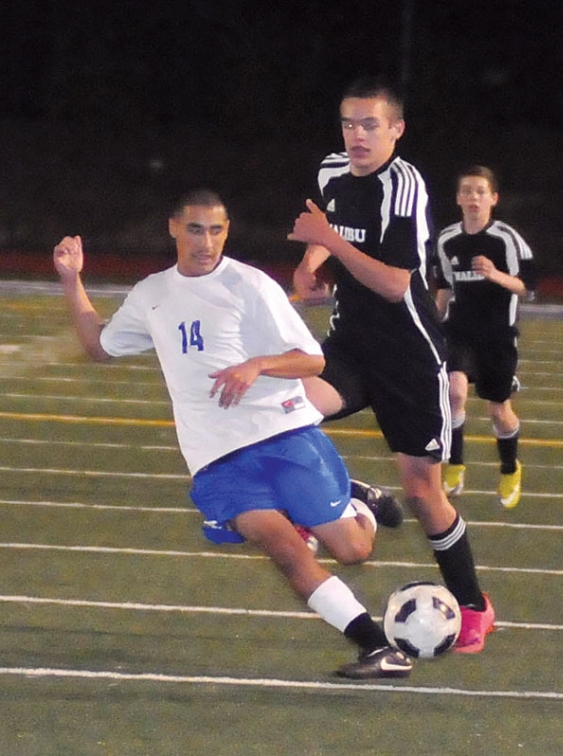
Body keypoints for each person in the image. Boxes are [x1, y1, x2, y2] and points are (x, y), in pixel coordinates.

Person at [53, 189, 411, 680]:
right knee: (286, 553)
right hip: (217, 457)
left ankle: (358, 501)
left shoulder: (249, 285)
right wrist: (71, 281)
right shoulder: (151, 294)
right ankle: (377, 648)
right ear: (173, 228)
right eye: (196, 229)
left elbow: (313, 360)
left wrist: (257, 365)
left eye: (217, 230)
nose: (207, 241)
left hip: (282, 435)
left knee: (353, 551)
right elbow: (99, 346)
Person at [288, 77, 495, 652]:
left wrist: (328, 239)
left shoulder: (403, 185)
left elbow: (395, 282)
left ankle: (474, 603)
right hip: (351, 343)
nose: (357, 135)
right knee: (287, 410)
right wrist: (312, 264)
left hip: (408, 355)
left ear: (396, 130)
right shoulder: (333, 171)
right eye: (350, 124)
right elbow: (331, 238)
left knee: (423, 492)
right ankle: (348, 496)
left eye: (370, 124)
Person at [434, 165, 537, 510]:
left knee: (499, 412)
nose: (473, 197)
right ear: (458, 198)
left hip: (497, 336)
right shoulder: (447, 239)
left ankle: (510, 468)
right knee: (454, 392)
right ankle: (456, 464)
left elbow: (527, 287)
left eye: (480, 191)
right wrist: (433, 325)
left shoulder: (506, 239)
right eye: (467, 191)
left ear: (493, 198)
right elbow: (445, 287)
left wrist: (495, 275)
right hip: (459, 331)